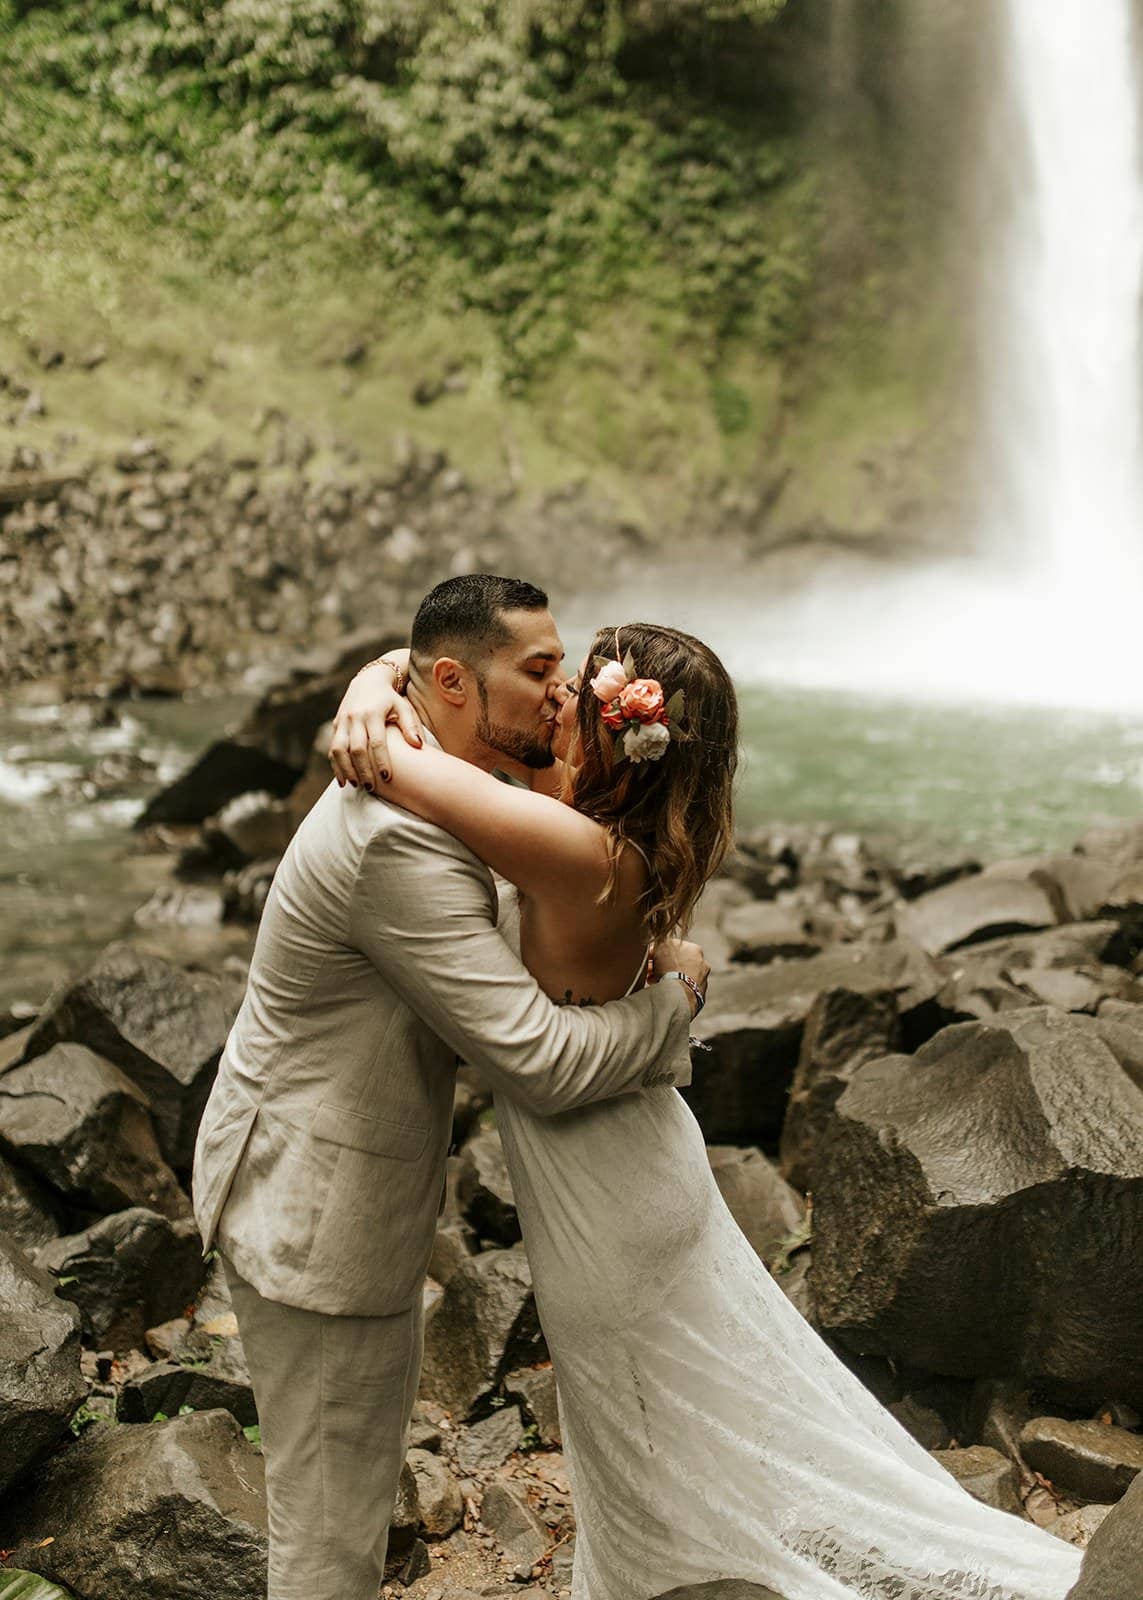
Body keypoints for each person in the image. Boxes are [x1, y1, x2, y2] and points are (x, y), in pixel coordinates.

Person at [329, 618, 1085, 1600]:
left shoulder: (568, 843)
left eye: (579, 691)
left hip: (605, 1197)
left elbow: (389, 758)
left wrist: (366, 692)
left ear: (620, 732)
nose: (556, 696)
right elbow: (431, 692)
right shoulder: (623, 831)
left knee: (637, 1449)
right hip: (639, 1162)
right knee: (662, 1441)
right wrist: (381, 670)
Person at [191, 575, 709, 1600]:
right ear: (452, 685)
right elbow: (542, 1063)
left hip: (320, 1179)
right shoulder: (399, 843)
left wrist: (374, 677)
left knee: (341, 1499)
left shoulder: (429, 762)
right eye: (539, 672)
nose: (562, 695)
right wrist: (674, 1007)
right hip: (310, 1211)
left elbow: (421, 663)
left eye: (565, 671)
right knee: (329, 1532)